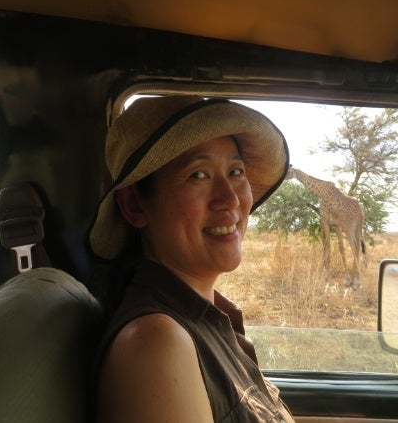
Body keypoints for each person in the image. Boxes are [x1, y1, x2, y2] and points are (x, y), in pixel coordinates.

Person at [89, 95, 295, 422]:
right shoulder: (156, 343)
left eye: (236, 171)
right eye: (198, 175)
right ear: (135, 206)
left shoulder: (207, 317)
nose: (231, 199)